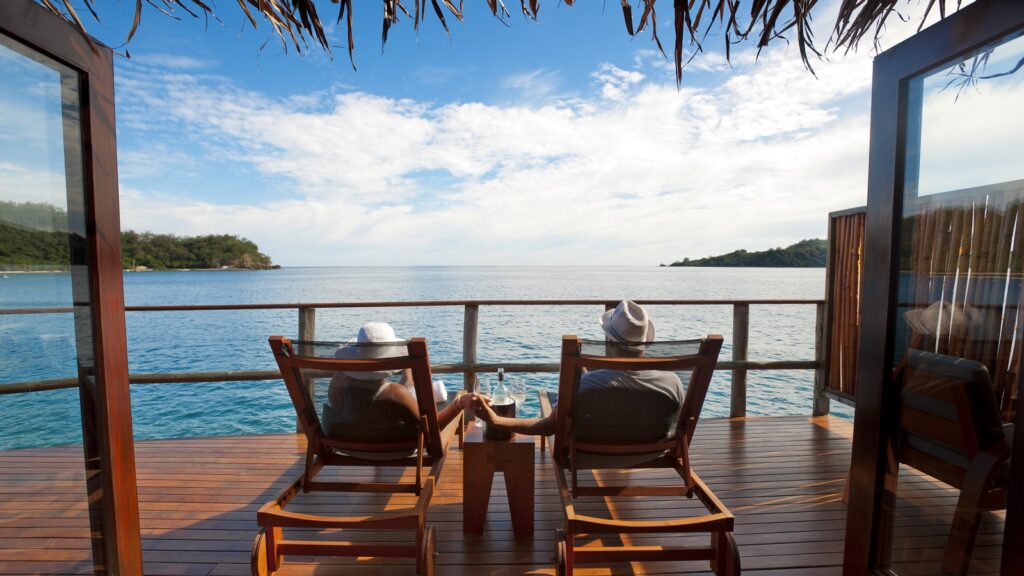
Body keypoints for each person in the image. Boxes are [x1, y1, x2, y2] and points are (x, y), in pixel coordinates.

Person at [472, 300, 684, 440]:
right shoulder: (673, 383)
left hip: (592, 452)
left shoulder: (589, 385)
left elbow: (548, 427)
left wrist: (495, 420)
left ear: (609, 343)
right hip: (652, 450)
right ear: (645, 341)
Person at [323, 322, 472, 442]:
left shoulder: (344, 390)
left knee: (407, 386)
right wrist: (459, 404)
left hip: (350, 445)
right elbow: (431, 430)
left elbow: (338, 401)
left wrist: (345, 367)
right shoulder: (397, 395)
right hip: (395, 450)